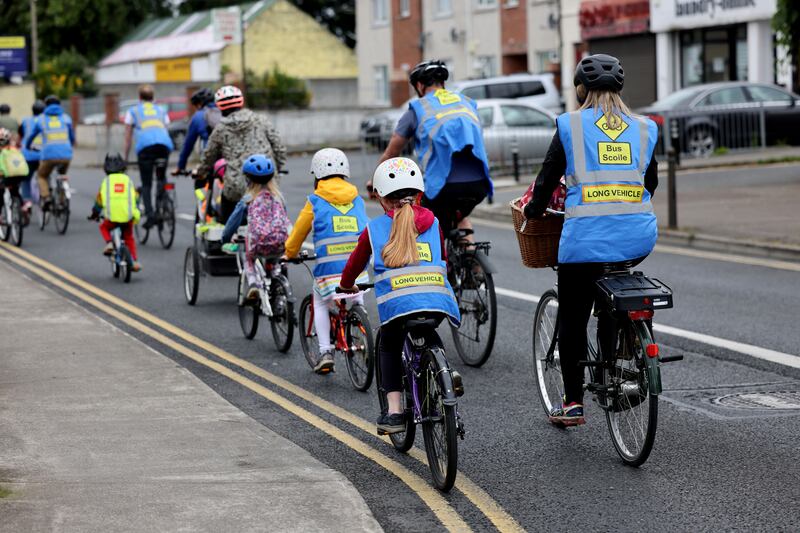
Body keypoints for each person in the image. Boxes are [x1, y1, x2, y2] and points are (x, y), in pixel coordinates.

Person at [523, 54, 659, 427]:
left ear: (581, 90)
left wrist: (534, 209)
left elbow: (547, 179)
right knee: (611, 297)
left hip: (584, 238)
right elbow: (650, 183)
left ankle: (572, 402)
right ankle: (611, 372)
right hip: (638, 234)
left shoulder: (570, 125)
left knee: (572, 314)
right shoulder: (645, 127)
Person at [339, 157, 461, 434]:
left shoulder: (375, 228)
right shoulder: (434, 222)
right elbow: (442, 258)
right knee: (428, 330)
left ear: (381, 198)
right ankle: (444, 371)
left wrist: (347, 285)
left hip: (398, 306)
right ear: (419, 194)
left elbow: (355, 264)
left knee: (389, 346)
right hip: (436, 300)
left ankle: (394, 412)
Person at [372, 60, 493, 238]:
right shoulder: (466, 102)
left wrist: (374, 180)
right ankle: (472, 259)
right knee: (460, 218)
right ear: (442, 84)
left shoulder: (418, 109)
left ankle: (436, 264)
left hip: (442, 188)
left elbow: (391, 153)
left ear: (419, 85)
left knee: (424, 225)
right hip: (480, 185)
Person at [283, 148, 370, 374]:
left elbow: (299, 233)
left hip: (328, 270)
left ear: (317, 175)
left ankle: (325, 352)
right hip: (358, 268)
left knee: (319, 301)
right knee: (356, 297)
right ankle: (363, 330)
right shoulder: (357, 199)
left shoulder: (315, 200)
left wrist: (290, 253)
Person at [197, 85, 287, 224]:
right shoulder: (260, 120)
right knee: (277, 208)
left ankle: (227, 241)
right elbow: (279, 146)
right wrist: (279, 167)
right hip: (267, 181)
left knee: (226, 217)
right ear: (241, 102)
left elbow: (209, 156)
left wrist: (202, 171)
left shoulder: (220, 129)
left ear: (220, 107)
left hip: (236, 186)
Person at [238, 154, 290, 300]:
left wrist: (226, 237)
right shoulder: (278, 198)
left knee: (248, 259)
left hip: (258, 244)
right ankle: (278, 277)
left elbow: (234, 222)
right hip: (280, 242)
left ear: (248, 180)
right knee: (278, 258)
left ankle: (254, 284)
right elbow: (284, 219)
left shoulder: (247, 200)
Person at [123, 84, 174, 229]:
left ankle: (151, 215)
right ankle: (163, 197)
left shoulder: (133, 111)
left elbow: (127, 136)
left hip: (145, 148)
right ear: (153, 97)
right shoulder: (161, 110)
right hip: (164, 146)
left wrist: (125, 158)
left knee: (146, 184)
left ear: (139, 97)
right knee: (161, 175)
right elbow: (166, 129)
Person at [88, 154, 142, 272]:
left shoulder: (106, 182)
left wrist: (94, 214)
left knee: (103, 227)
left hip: (111, 218)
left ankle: (109, 244)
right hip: (128, 217)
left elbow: (99, 201)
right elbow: (136, 197)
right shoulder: (128, 181)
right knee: (129, 237)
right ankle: (134, 261)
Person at [25, 95, 75, 211]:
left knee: (41, 176)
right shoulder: (66, 118)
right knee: (62, 174)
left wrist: (28, 146)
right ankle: (62, 200)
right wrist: (69, 146)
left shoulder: (41, 119)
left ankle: (46, 197)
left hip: (48, 156)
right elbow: (72, 137)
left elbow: (32, 136)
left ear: (46, 106)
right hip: (66, 155)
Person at [173, 88, 220, 177]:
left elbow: (188, 145)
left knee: (201, 183)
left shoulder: (198, 116)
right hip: (230, 158)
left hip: (210, 159)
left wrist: (180, 166)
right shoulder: (225, 112)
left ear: (199, 104)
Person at [18, 100, 45, 210]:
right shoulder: (45, 121)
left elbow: (21, 135)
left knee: (26, 179)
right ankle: (47, 195)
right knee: (44, 175)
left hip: (28, 156)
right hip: (44, 155)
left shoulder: (26, 121)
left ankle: (27, 201)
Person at [0, 127, 30, 219]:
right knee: (15, 190)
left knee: (1, 190)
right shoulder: (15, 149)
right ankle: (23, 206)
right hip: (22, 173)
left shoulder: (2, 152)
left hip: (8, 175)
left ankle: (0, 214)